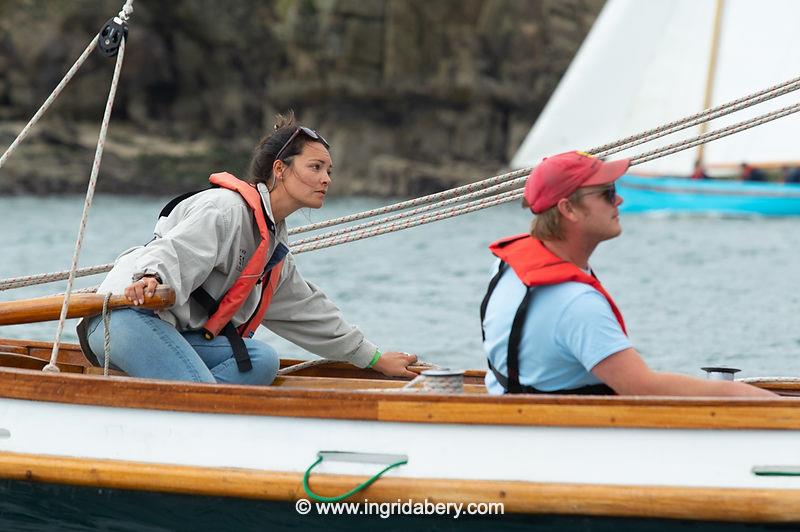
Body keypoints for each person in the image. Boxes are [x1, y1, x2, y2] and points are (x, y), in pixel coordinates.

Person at [78, 112, 417, 384]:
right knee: (203, 395)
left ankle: (173, 394)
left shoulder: (273, 247)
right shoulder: (225, 209)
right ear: (280, 170)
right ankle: (194, 400)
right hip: (125, 316)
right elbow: (174, 249)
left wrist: (374, 358)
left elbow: (309, 312)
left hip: (169, 330)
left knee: (261, 359)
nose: (326, 178)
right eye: (315, 168)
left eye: (329, 170)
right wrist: (151, 275)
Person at [480, 151, 775, 397]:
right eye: (608, 194)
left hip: (524, 422)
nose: (619, 201)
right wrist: (747, 395)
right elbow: (643, 388)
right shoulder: (575, 303)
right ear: (569, 209)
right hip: (565, 443)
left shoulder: (507, 267)